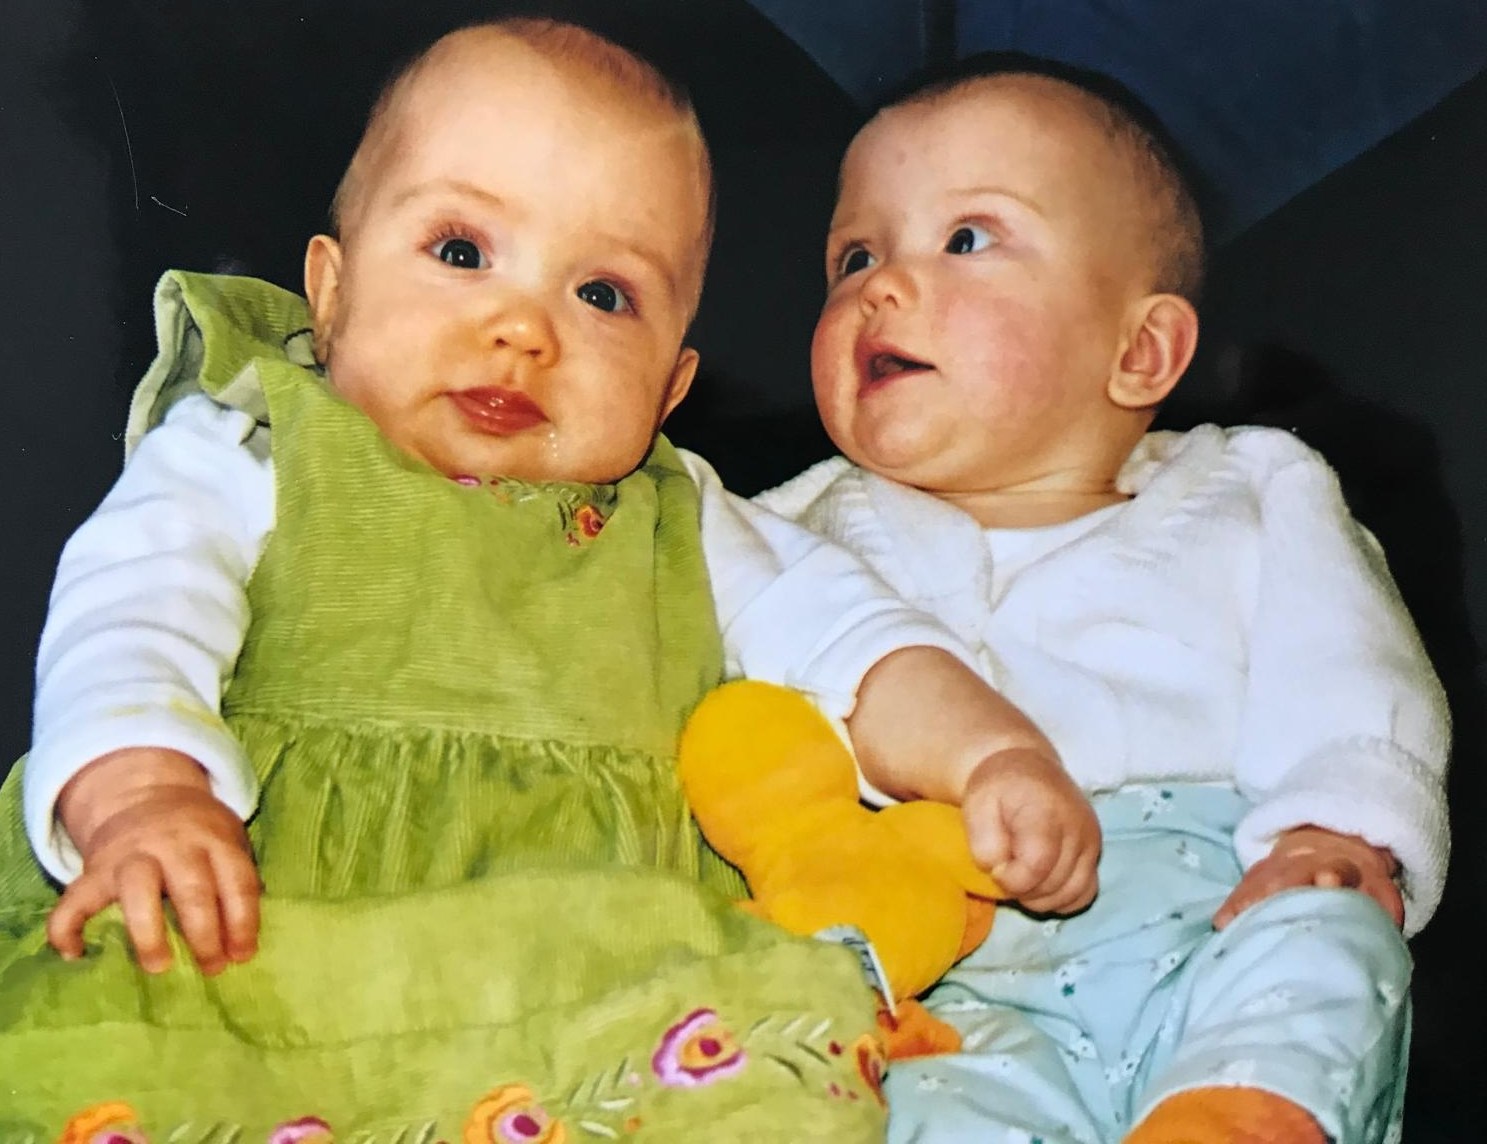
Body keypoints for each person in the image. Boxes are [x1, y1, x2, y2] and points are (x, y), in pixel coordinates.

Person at [0, 23, 1099, 1138]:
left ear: (670, 390)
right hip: (276, 936)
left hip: (600, 996)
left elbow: (859, 648)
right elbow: (131, 612)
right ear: (328, 293)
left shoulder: (683, 521)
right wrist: (142, 793)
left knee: (769, 1062)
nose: (522, 329)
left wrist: (991, 755)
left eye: (604, 296)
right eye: (462, 252)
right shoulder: (256, 450)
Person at [755, 52, 1451, 1144]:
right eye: (853, 254)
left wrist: (1333, 828)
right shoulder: (783, 528)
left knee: (1327, 939)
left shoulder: (1252, 486)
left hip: (1208, 905)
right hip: (938, 964)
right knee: (875, 1094)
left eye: (966, 238)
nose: (878, 286)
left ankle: (1227, 1115)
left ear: (1138, 349)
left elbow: (1351, 672)